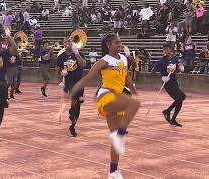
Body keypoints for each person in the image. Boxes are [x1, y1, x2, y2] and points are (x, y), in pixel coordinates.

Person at [68, 34, 139, 178]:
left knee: (117, 138)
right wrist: (72, 91)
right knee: (132, 104)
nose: (120, 45)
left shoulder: (124, 59)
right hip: (106, 96)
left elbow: (127, 79)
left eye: (120, 42)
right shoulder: (103, 62)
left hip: (119, 96)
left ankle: (113, 171)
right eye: (116, 43)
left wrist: (134, 91)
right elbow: (86, 79)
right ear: (108, 45)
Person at [56, 36, 86, 137]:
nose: (67, 43)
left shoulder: (78, 53)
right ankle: (72, 110)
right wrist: (61, 73)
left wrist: (76, 53)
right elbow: (57, 70)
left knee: (78, 104)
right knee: (75, 96)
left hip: (79, 81)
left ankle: (73, 124)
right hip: (69, 81)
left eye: (69, 41)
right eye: (65, 42)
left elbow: (83, 65)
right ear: (63, 44)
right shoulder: (61, 56)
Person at [152, 44, 185, 127]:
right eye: (164, 50)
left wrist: (180, 67)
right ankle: (168, 112)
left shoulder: (175, 58)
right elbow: (153, 72)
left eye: (167, 49)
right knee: (182, 97)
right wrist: (162, 77)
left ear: (170, 49)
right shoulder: (161, 61)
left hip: (174, 81)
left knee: (180, 100)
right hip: (167, 83)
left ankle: (172, 117)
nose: (165, 51)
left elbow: (178, 66)